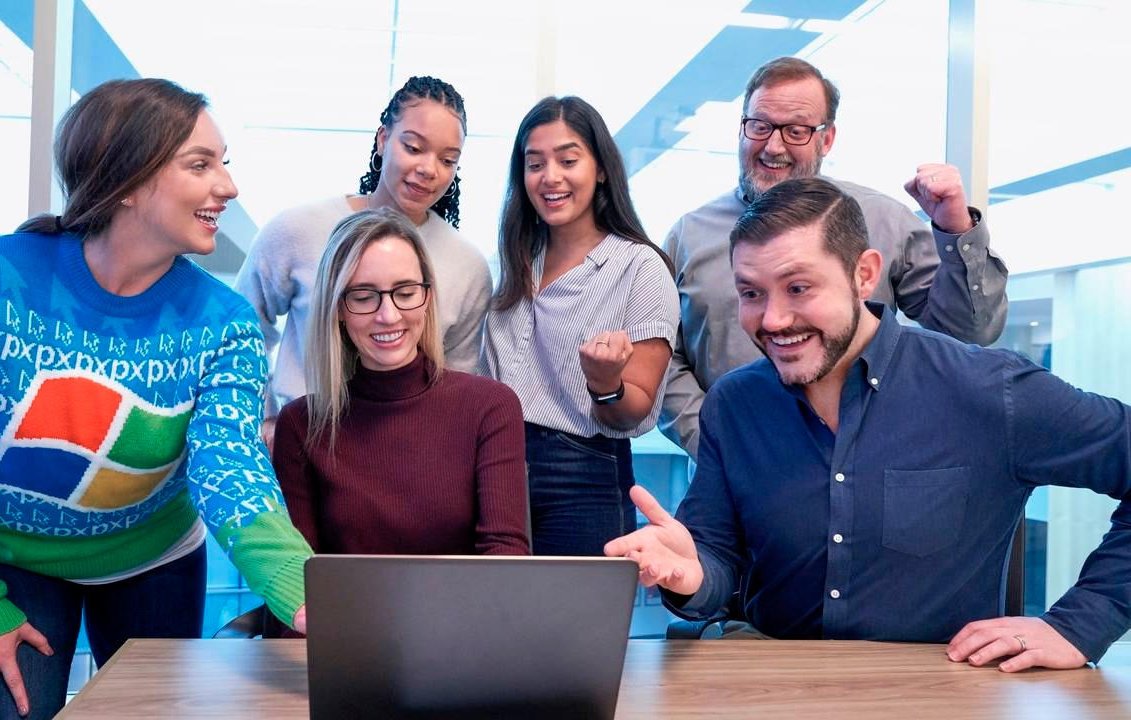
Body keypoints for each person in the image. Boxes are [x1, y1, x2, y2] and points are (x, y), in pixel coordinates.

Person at [0, 79, 312, 720]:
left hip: (153, 556)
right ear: (128, 179)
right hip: (3, 558)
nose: (229, 186)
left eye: (224, 163)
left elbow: (230, 463)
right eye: (200, 165)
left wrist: (299, 586)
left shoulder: (227, 323)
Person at [606, 178, 1131, 671]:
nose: (772, 320)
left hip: (941, 690)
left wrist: (1081, 624)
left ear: (863, 274)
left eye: (798, 288)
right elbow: (716, 559)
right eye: (751, 293)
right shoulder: (734, 404)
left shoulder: (987, 390)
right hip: (774, 683)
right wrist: (693, 573)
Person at [658, 56, 1009, 457]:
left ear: (826, 140)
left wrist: (956, 229)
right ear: (741, 129)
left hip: (867, 468)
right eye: (760, 126)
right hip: (731, 477)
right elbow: (661, 358)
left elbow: (969, 332)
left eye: (796, 131)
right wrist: (714, 440)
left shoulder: (884, 222)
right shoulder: (688, 236)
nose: (773, 146)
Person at [235, 75, 491, 444]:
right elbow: (241, 330)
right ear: (383, 139)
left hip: (402, 450)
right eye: (414, 147)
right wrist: (266, 417)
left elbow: (455, 384)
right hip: (300, 443)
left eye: (448, 159)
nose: (429, 169)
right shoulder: (297, 230)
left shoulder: (468, 266)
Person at [482, 96, 679, 556]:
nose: (550, 177)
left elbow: (633, 411)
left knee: (577, 605)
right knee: (489, 602)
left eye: (568, 161)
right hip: (495, 464)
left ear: (601, 169)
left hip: (582, 474)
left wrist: (605, 384)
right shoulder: (512, 262)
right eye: (535, 164)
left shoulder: (640, 266)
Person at [273, 208, 529, 557]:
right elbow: (301, 573)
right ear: (338, 309)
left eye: (405, 293)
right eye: (364, 297)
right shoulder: (301, 425)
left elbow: (505, 554)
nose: (388, 316)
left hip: (467, 596)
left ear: (427, 298)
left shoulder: (489, 406)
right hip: (346, 597)